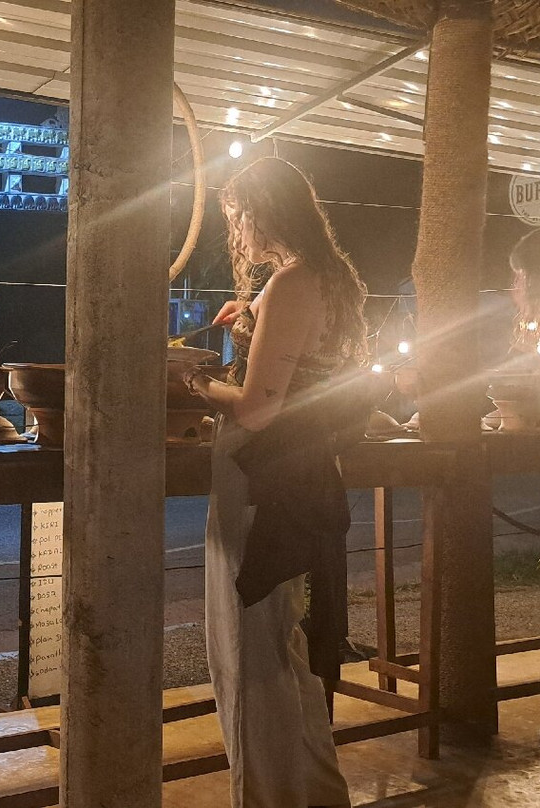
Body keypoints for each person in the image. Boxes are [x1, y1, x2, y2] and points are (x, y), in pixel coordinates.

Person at [182, 157, 368, 808]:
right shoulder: (332, 278)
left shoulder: (292, 282)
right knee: (279, 647)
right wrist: (250, 314)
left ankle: (270, 798)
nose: (237, 229)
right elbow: (307, 365)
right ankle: (313, 793)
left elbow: (260, 408)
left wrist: (193, 381)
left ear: (264, 210)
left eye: (238, 215)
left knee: (248, 650)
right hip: (298, 471)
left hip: (261, 474)